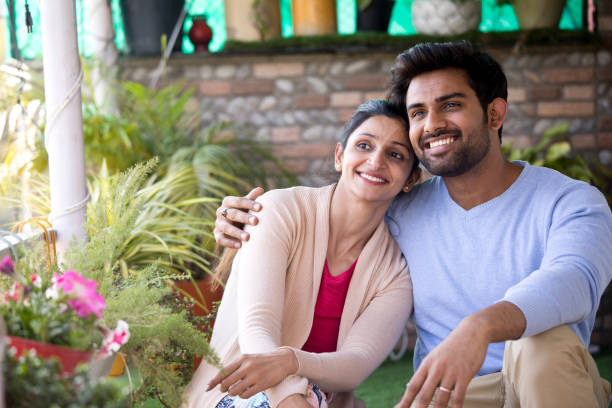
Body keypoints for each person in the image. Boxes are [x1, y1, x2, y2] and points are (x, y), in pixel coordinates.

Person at [213, 41, 612, 408]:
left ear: (495, 113)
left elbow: (574, 279)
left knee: (537, 344)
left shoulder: (571, 200)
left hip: (544, 386)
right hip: (450, 395)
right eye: (418, 112)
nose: (432, 123)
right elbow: (341, 207)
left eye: (450, 105)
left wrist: (481, 327)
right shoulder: (403, 208)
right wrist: (240, 220)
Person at [185, 99, 422, 408]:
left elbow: (356, 364)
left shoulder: (395, 271)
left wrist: (291, 362)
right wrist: (290, 398)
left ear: (410, 180)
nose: (376, 161)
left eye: (395, 155)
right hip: (235, 393)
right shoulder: (279, 211)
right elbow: (258, 330)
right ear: (340, 156)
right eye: (364, 145)